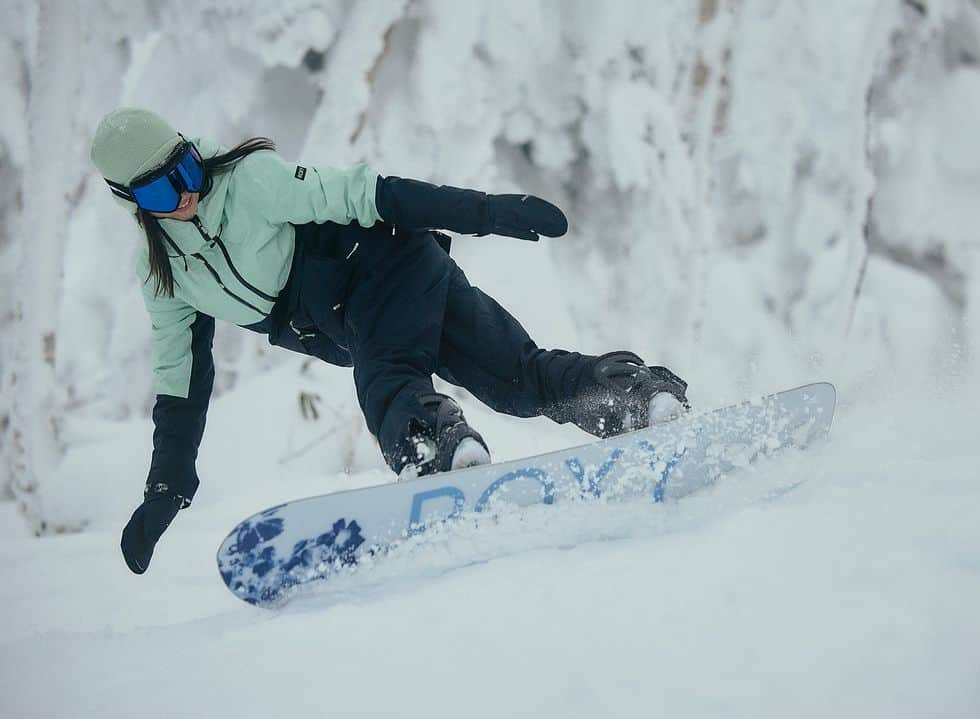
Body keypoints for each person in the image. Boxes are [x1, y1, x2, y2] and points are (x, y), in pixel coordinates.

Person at [89, 107, 690, 575]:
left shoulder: (251, 181)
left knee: (388, 380)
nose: (185, 193)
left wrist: (487, 211)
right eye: (162, 192)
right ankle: (632, 397)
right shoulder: (165, 275)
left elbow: (368, 193)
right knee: (517, 380)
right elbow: (182, 380)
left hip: (382, 261)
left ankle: (433, 453)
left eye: (187, 172)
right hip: (370, 307)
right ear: (133, 204)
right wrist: (167, 483)